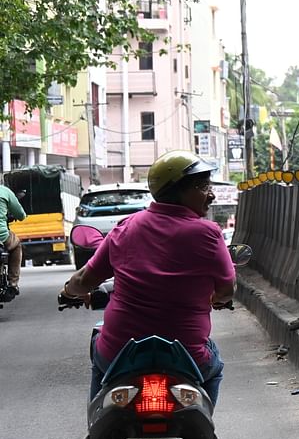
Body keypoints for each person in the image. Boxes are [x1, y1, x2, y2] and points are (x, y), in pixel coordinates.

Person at [60, 151, 235, 405]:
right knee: (214, 367)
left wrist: (67, 291)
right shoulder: (208, 233)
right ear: (176, 190)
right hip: (186, 356)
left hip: (121, 354)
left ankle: (97, 430)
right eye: (202, 186)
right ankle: (203, 428)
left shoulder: (125, 227)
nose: (211, 194)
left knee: (99, 356)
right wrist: (216, 298)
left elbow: (84, 279)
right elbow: (228, 289)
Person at [0, 180, 26, 301]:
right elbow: (21, 215)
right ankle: (13, 283)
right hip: (2, 236)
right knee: (16, 245)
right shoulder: (5, 192)